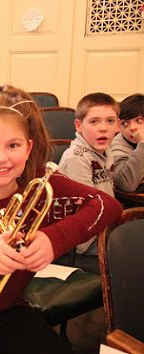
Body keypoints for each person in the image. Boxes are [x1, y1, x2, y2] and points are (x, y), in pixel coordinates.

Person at [0, 85, 122, 354]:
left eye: (13, 145)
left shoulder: (43, 182)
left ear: (28, 149)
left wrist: (54, 239)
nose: (1, 158)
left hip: (9, 304)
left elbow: (107, 205)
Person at [58, 92, 120, 255]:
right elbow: (88, 209)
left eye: (110, 121)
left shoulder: (107, 149)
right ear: (79, 125)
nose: (103, 128)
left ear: (118, 125)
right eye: (94, 121)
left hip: (105, 225)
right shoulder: (76, 159)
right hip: (85, 239)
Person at [111, 93, 144, 193]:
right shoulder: (117, 146)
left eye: (139, 121)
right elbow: (126, 184)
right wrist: (142, 144)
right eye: (125, 124)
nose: (132, 128)